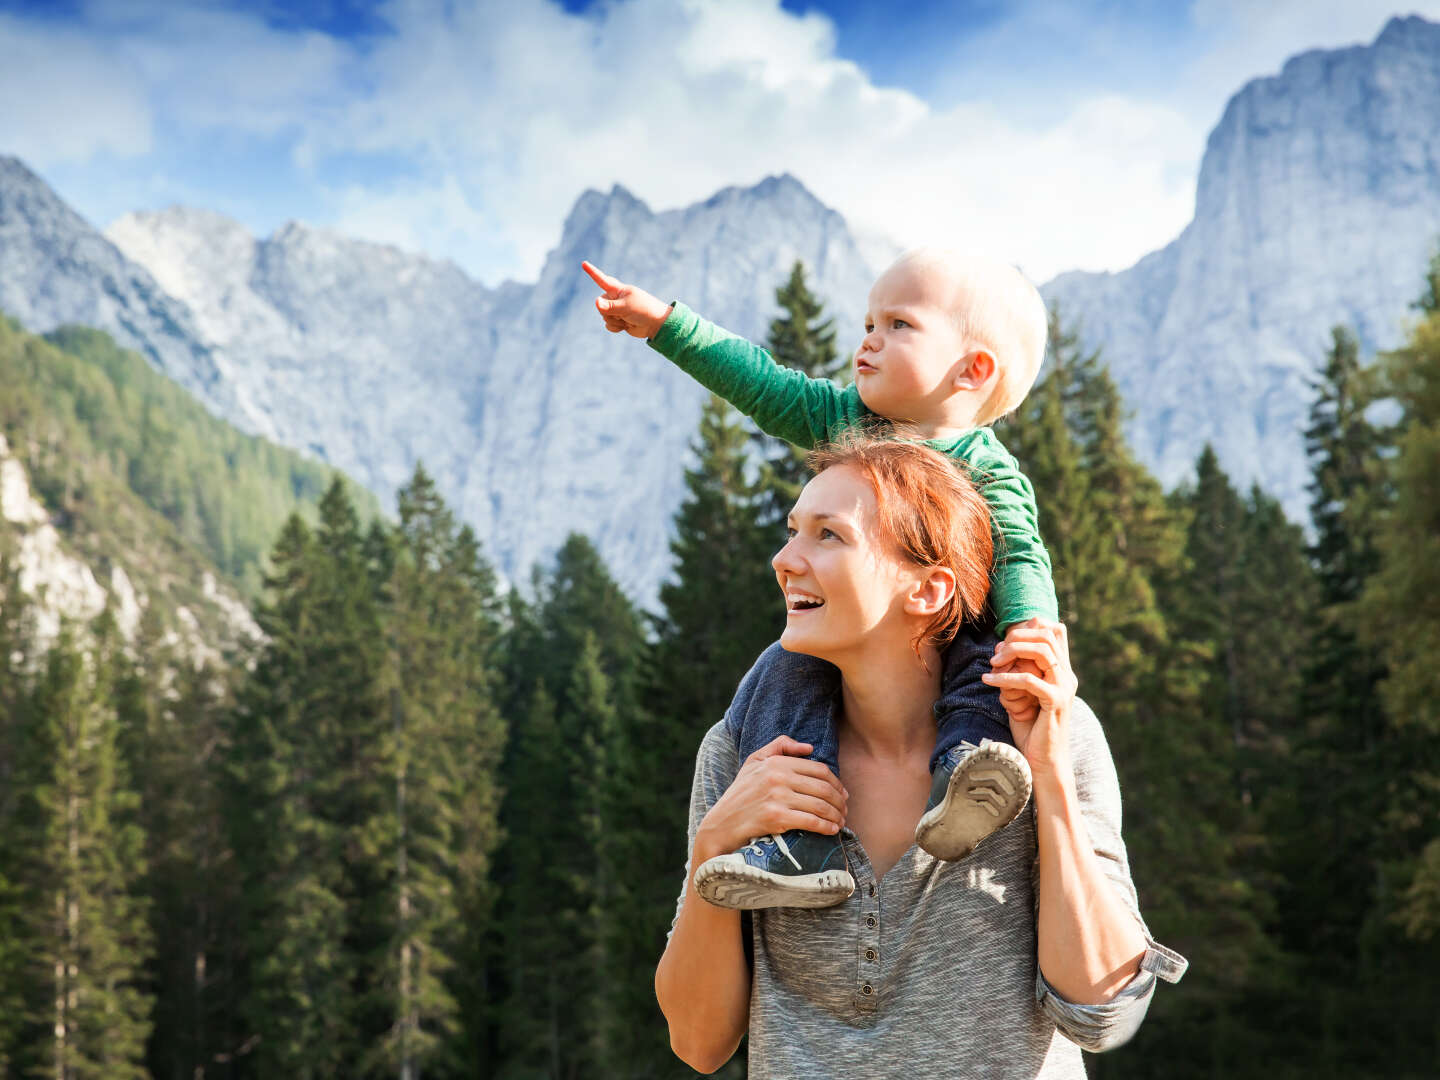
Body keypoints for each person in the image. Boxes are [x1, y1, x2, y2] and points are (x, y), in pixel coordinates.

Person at [654, 436, 1186, 1076]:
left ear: (929, 590)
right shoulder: (746, 754)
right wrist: (713, 846)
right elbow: (698, 1041)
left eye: (829, 536)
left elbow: (1101, 1013)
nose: (784, 559)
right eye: (793, 531)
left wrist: (1048, 780)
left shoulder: (1047, 735)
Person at [583, 250, 1055, 906]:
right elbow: (761, 383)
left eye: (899, 324)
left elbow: (1021, 560)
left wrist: (1032, 629)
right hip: (847, 635)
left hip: (950, 630)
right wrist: (665, 323)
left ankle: (964, 780)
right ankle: (801, 841)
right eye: (868, 322)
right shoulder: (848, 422)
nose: (869, 338)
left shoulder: (989, 471)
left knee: (986, 667)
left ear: (973, 370)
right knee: (783, 674)